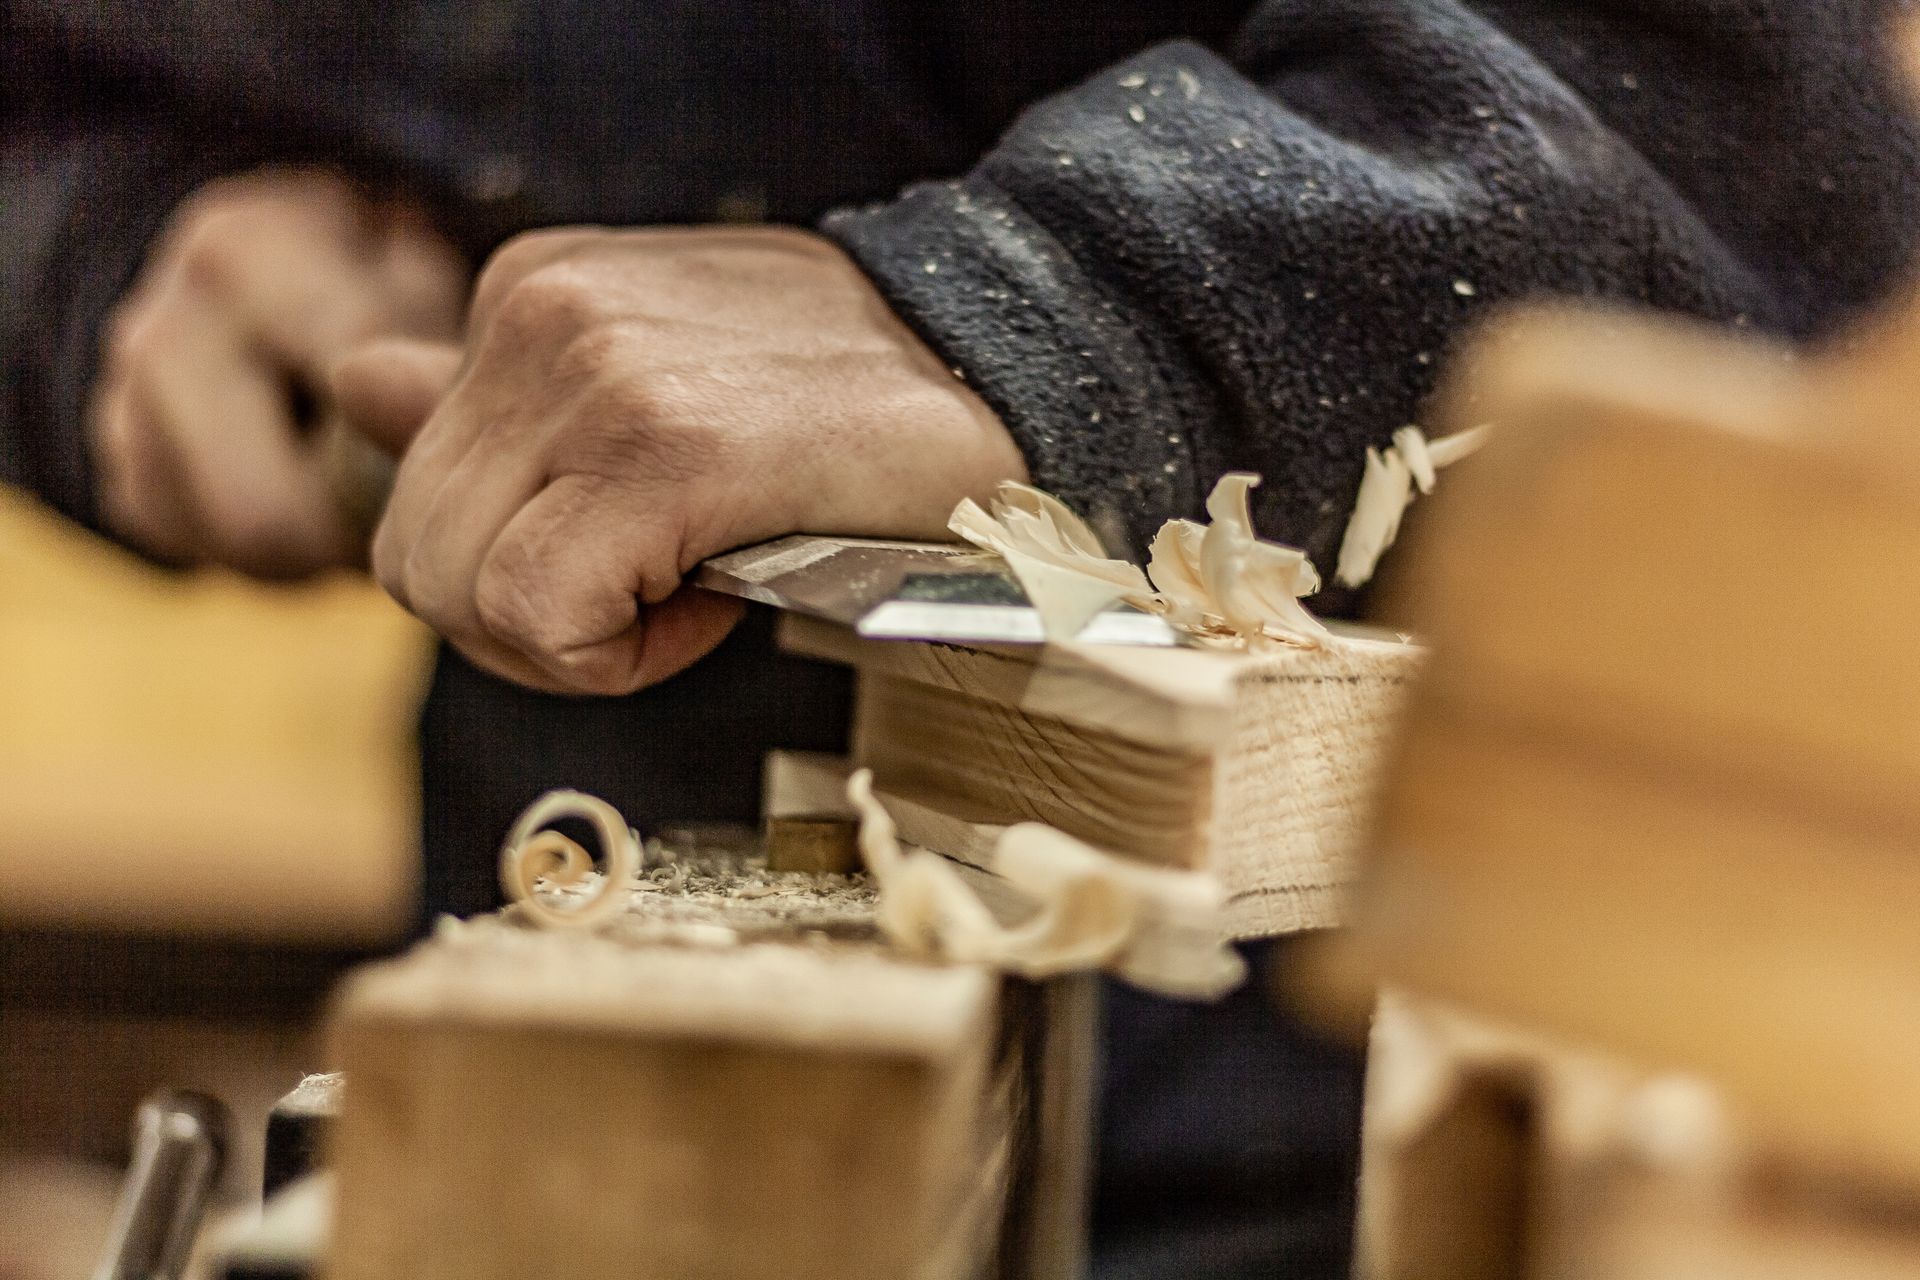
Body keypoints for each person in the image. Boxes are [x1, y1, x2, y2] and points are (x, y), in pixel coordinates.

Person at [5, 3, 1916, 1274]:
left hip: (1406, 1030)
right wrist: (100, 235)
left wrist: (1046, 307)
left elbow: (1737, 102)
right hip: (617, 938)